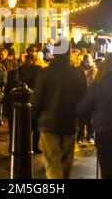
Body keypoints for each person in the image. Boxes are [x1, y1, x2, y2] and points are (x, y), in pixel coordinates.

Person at [32, 42, 87, 179]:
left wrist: (36, 118)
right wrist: (81, 122)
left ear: (54, 53)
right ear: (69, 53)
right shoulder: (78, 73)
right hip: (70, 123)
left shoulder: (45, 73)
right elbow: (84, 100)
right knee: (66, 164)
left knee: (52, 163)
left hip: (49, 124)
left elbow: (37, 99)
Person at [18, 54, 43, 153]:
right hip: (27, 100)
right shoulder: (22, 69)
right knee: (29, 126)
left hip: (34, 100)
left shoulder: (37, 70)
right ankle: (28, 146)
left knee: (35, 127)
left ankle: (34, 146)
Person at [77, 54, 96, 144]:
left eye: (89, 61)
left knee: (90, 119)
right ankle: (80, 136)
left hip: (91, 97)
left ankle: (90, 136)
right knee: (81, 119)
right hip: (81, 97)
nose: (88, 63)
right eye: (86, 61)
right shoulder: (78, 70)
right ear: (83, 61)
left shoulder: (95, 70)